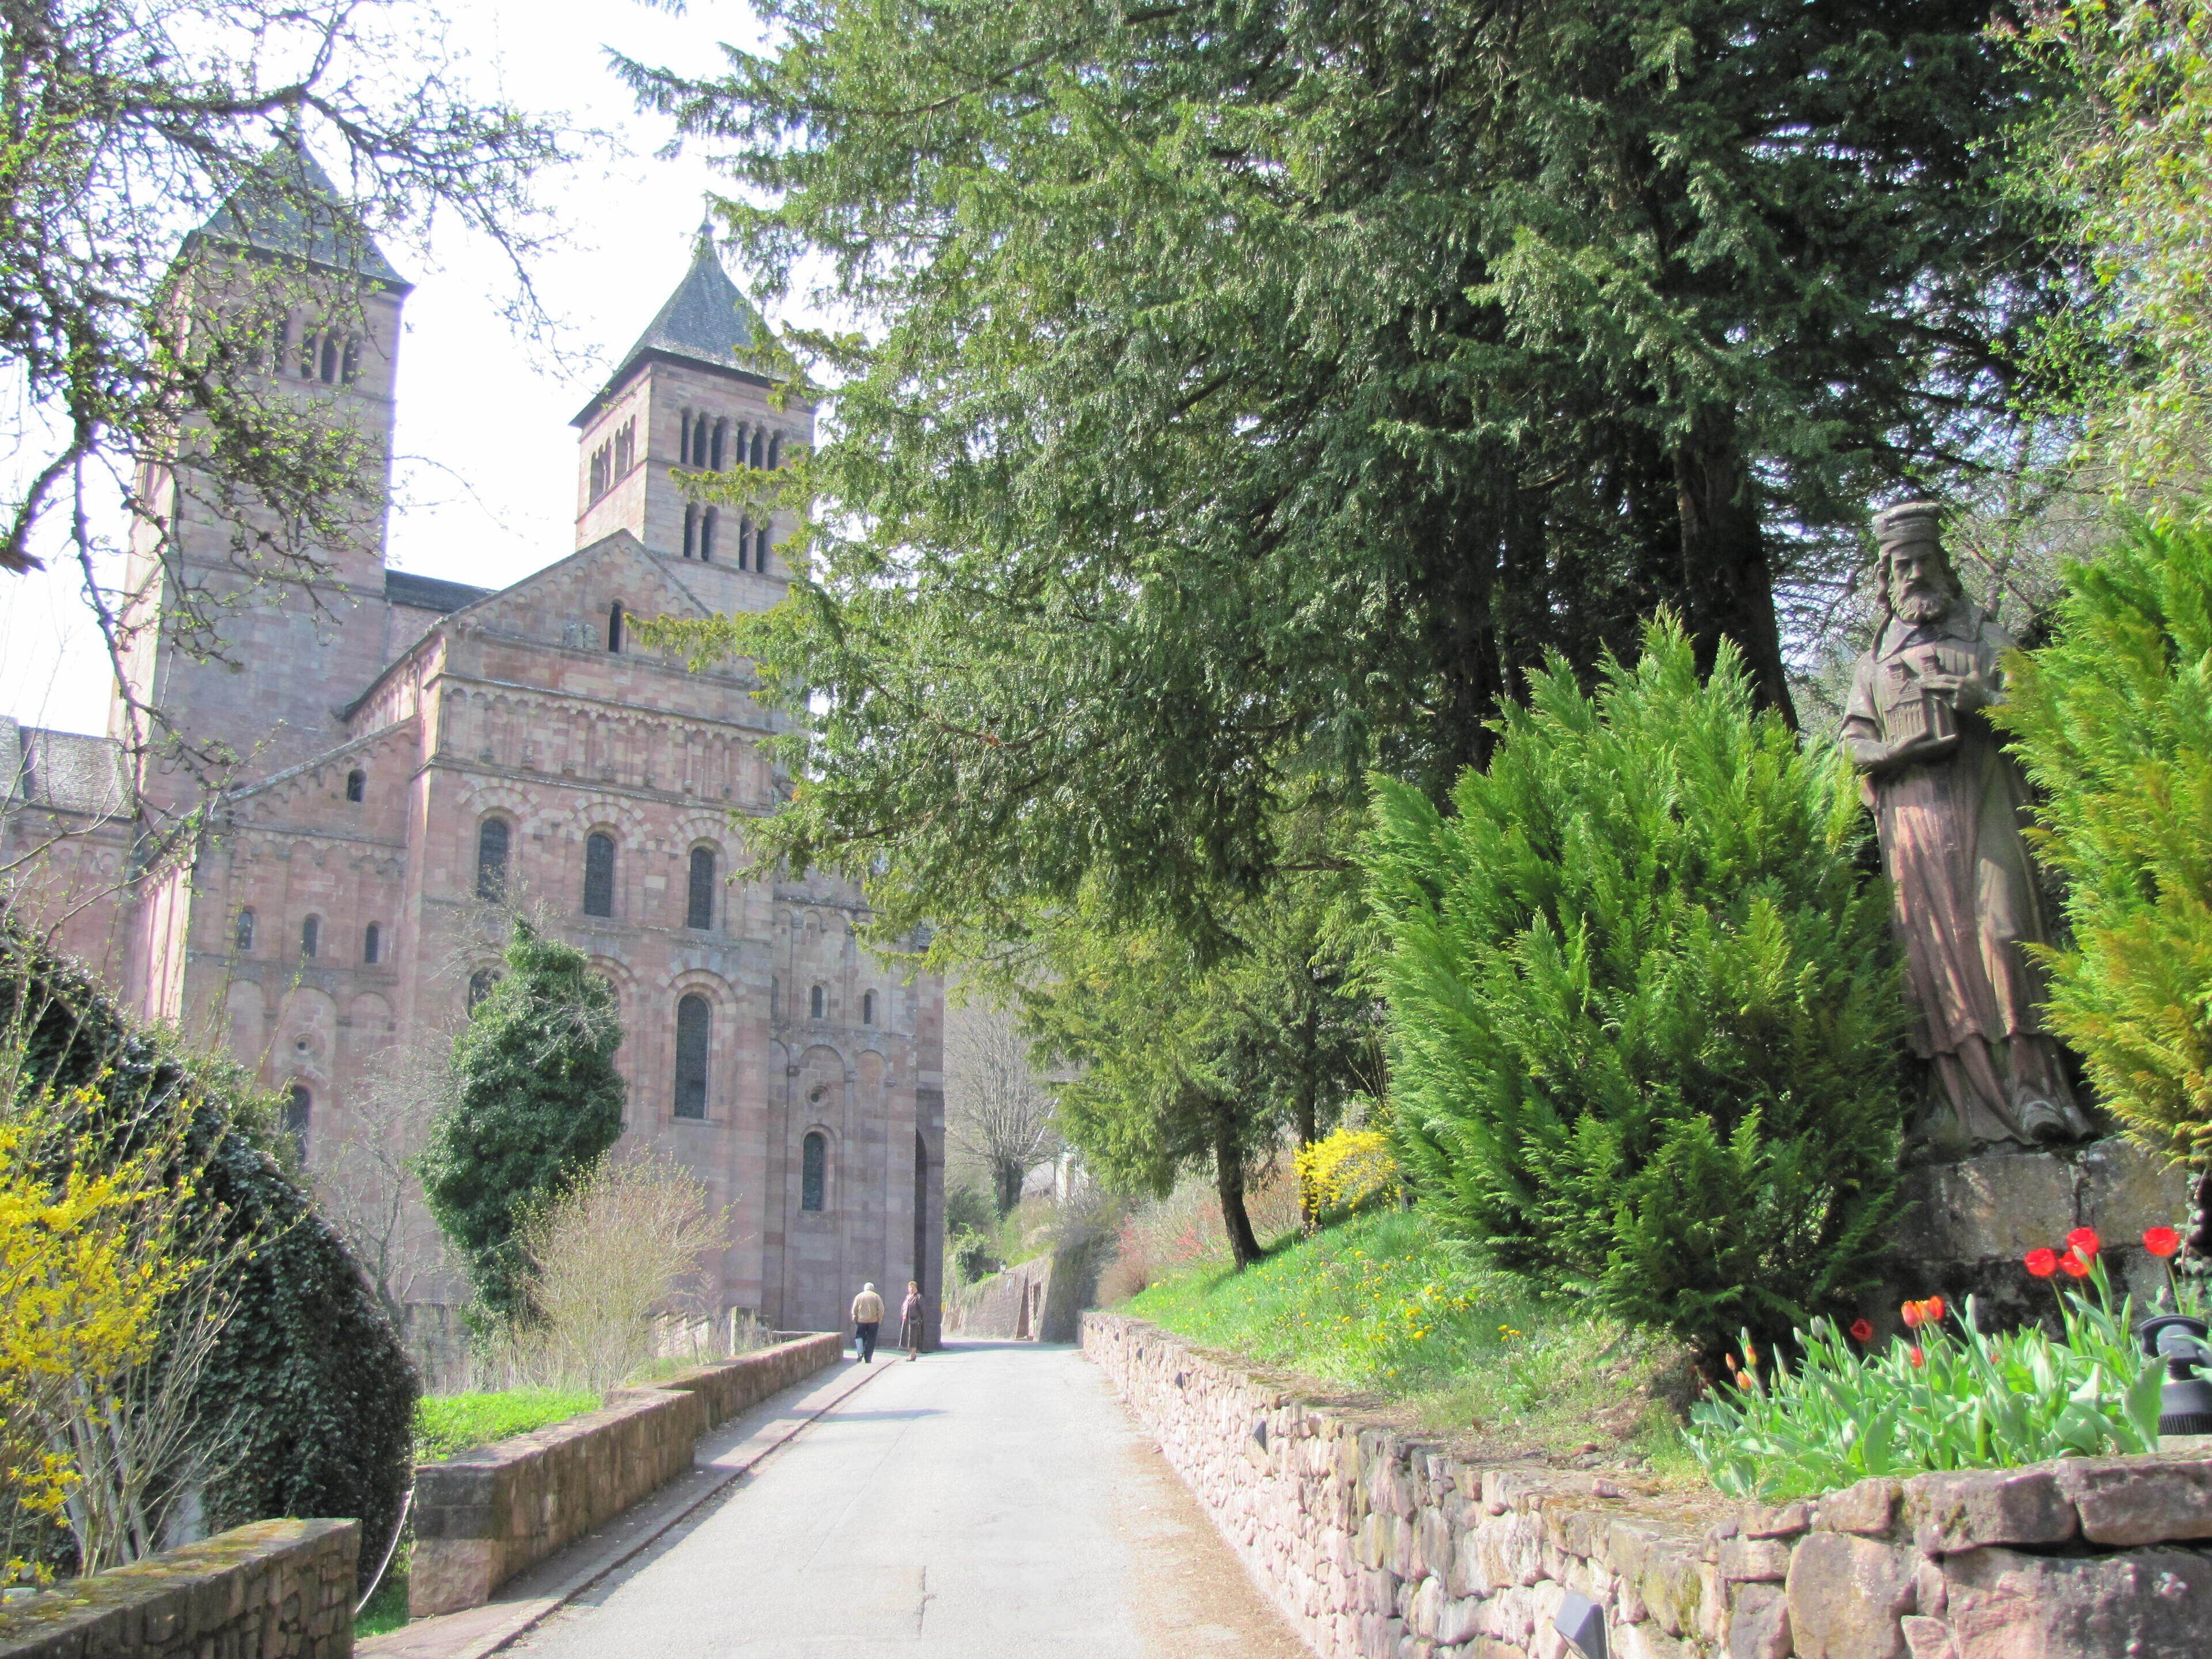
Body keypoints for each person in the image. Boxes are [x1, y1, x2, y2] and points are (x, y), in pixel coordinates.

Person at [1840, 502, 2093, 1149]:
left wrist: (1986, 703)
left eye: (1925, 560)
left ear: (1946, 568)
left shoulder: (1987, 639)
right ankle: (1957, 1108)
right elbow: (1852, 746)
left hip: (1989, 808)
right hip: (1915, 828)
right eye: (1902, 565)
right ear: (1886, 577)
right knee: (1931, 961)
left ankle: (2035, 1091)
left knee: (2007, 937)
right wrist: (1896, 754)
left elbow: (2046, 718)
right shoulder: (1875, 663)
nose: (1915, 574)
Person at [850, 1282, 884, 1363]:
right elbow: (881, 1309)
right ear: (873, 1289)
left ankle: (860, 1352)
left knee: (859, 1337)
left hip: (861, 1321)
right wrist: (879, 1319)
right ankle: (868, 1357)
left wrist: (855, 1318)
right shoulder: (876, 1297)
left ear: (865, 1288)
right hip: (873, 1321)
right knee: (871, 1339)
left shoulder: (859, 1296)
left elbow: (854, 1309)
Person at [899, 1279, 925, 1361]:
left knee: (913, 1338)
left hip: (914, 1321)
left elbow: (923, 1310)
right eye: (910, 1287)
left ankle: (913, 1355)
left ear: (916, 1288)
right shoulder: (907, 1297)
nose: (911, 1289)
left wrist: (919, 1319)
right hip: (906, 1320)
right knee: (908, 1338)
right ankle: (911, 1354)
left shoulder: (918, 1297)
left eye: (913, 1287)